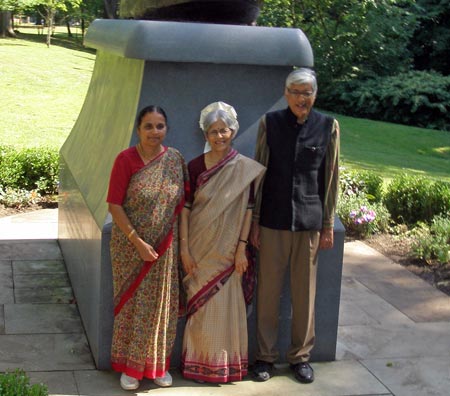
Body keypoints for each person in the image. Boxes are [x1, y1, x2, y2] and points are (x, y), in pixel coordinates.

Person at [250, 68, 340, 384]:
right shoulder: (269, 123)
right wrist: (255, 221)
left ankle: (300, 358)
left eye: (308, 93)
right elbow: (258, 174)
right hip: (273, 221)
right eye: (296, 92)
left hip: (309, 224)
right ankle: (264, 357)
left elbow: (331, 179)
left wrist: (328, 223)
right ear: (286, 94)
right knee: (268, 294)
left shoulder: (328, 127)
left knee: (305, 296)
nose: (302, 99)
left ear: (315, 96)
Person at [180, 101, 266, 383]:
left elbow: (248, 210)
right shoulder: (194, 167)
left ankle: (225, 366)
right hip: (199, 248)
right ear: (205, 135)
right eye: (213, 131)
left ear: (233, 132)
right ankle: (198, 363)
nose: (219, 136)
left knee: (226, 308)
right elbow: (186, 208)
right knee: (200, 307)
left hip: (230, 253)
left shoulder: (243, 169)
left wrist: (241, 249)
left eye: (224, 130)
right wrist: (184, 249)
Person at [106, 105, 188, 391]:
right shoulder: (125, 159)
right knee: (132, 307)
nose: (155, 132)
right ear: (138, 130)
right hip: (130, 248)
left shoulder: (175, 160)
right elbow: (114, 205)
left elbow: (183, 206)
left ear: (166, 129)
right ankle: (129, 368)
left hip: (165, 247)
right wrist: (138, 242)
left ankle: (157, 366)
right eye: (149, 126)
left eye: (160, 126)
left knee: (161, 307)